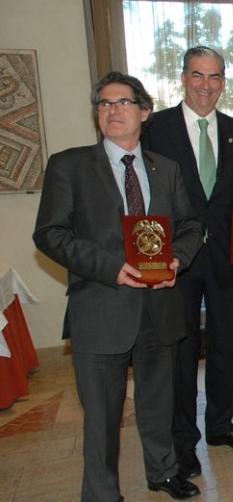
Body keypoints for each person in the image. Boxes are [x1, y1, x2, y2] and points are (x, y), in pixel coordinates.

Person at [33, 72, 203, 501]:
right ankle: (102, 492)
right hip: (101, 307)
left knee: (158, 402)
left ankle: (163, 473)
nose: (113, 111)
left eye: (123, 103)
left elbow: (190, 225)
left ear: (144, 113)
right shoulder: (68, 165)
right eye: (105, 104)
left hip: (160, 306)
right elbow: (50, 234)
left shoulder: (166, 169)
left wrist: (177, 260)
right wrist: (112, 268)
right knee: (102, 416)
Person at [142, 46, 233, 479]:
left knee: (229, 346)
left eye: (214, 78)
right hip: (177, 262)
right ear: (183, 78)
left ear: (223, 82)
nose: (205, 86)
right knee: (182, 352)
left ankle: (220, 426)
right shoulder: (156, 129)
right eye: (197, 76)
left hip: (228, 260)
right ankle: (183, 443)